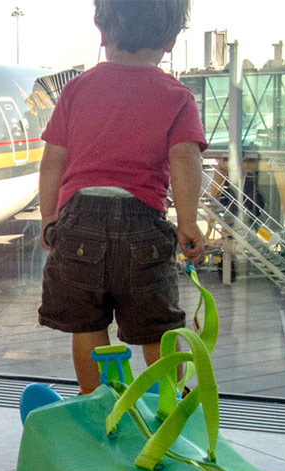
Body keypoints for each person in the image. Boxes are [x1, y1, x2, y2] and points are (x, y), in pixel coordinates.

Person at [37, 0, 206, 395]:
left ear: (102, 31)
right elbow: (185, 159)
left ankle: (95, 404)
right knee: (158, 328)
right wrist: (187, 221)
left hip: (79, 223)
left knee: (87, 325)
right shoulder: (176, 95)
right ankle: (169, 407)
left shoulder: (77, 89)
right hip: (142, 223)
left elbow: (52, 161)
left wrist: (49, 217)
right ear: (170, 41)